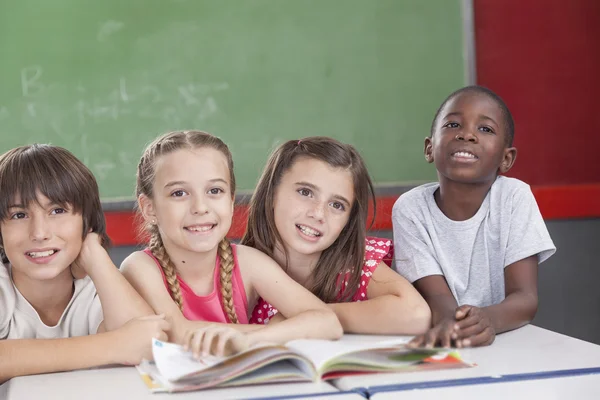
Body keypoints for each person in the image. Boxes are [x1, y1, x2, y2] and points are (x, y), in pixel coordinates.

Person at [121, 131, 342, 357]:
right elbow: (178, 333)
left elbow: (327, 321)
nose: (200, 207)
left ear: (231, 199)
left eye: (214, 191)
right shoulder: (140, 267)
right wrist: (276, 332)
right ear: (149, 208)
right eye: (179, 193)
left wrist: (254, 339)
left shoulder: (248, 262)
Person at [392, 86, 556, 348]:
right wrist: (453, 325)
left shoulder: (514, 197)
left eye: (485, 129)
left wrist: (488, 319)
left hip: (505, 342)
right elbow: (436, 296)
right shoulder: (410, 209)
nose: (466, 134)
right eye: (453, 124)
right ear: (429, 148)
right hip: (445, 337)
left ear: (506, 159)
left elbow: (525, 298)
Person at [0, 144, 168, 382]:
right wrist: (115, 344)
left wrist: (95, 255)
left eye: (57, 211)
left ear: (86, 221)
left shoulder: (97, 290)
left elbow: (150, 346)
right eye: (19, 215)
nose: (39, 233)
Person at [242, 137, 431, 334]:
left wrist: (310, 317)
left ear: (348, 220)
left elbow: (417, 314)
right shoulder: (237, 266)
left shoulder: (354, 264)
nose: (318, 213)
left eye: (337, 205)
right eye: (305, 192)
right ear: (272, 194)